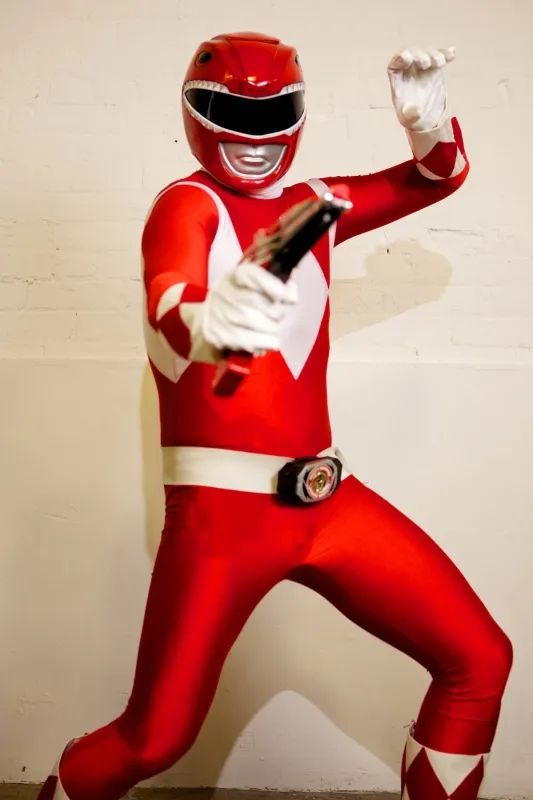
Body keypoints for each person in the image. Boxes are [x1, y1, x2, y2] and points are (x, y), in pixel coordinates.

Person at [38, 32, 512, 800]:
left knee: (478, 659)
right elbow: (169, 301)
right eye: (232, 115)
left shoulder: (308, 210)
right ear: (194, 113)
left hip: (326, 503)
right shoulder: (186, 204)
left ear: (297, 115)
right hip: (223, 521)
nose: (253, 139)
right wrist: (208, 323)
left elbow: (436, 179)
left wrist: (427, 125)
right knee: (152, 740)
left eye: (271, 117)